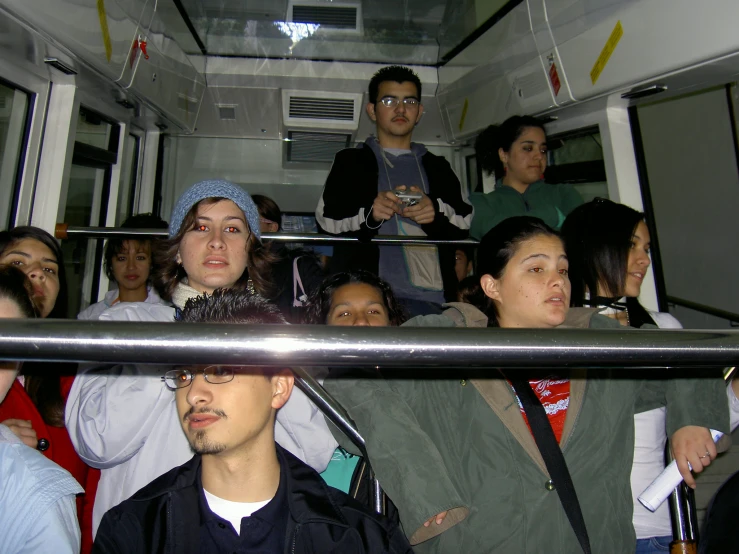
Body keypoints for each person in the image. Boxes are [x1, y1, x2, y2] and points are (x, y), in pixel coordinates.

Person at [324, 216, 729, 553]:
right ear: (492, 286)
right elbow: (351, 387)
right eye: (537, 269)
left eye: (563, 269)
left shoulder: (600, 341)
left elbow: (689, 356)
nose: (558, 281)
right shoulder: (441, 341)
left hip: (592, 541)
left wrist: (690, 418)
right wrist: (424, 491)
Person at [66, 179, 337, 537]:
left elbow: (315, 453)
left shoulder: (280, 338)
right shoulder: (125, 325)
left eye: (232, 228)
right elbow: (95, 443)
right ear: (177, 250)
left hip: (253, 534)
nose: (216, 241)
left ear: (250, 249)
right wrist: (175, 347)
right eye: (200, 227)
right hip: (147, 534)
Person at [92, 289, 413, 554]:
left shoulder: (356, 539)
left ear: (279, 386)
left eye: (221, 370)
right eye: (185, 374)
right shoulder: (134, 531)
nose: (194, 394)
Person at [561, 198, 739, 553]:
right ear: (595, 247)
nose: (644, 259)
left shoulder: (664, 328)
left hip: (655, 527)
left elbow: (699, 432)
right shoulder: (555, 332)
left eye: (646, 248)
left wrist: (732, 397)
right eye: (631, 246)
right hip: (575, 528)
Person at [315, 65, 473, 315]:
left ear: (419, 111)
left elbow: (464, 223)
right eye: (389, 100)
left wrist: (434, 213)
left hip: (432, 301)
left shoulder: (438, 166)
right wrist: (371, 215)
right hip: (365, 299)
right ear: (372, 110)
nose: (400, 109)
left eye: (409, 101)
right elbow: (327, 221)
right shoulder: (350, 162)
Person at [0, 226, 99, 553]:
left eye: (49, 269)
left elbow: (91, 490)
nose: (36, 276)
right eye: (18, 263)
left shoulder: (80, 379)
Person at [469, 116, 583, 240]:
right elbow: (491, 232)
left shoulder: (564, 193)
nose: (539, 156)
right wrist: (552, 215)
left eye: (543, 150)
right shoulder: (481, 203)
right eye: (528, 148)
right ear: (504, 155)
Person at [78, 213, 169, 320]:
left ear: (152, 264)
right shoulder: (90, 316)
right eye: (122, 258)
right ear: (111, 265)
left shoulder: (168, 313)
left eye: (140, 258)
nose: (131, 267)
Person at [252, 194, 325, 323]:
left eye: (252, 220)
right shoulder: (234, 265)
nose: (246, 227)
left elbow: (324, 311)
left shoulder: (300, 265)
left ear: (272, 228)